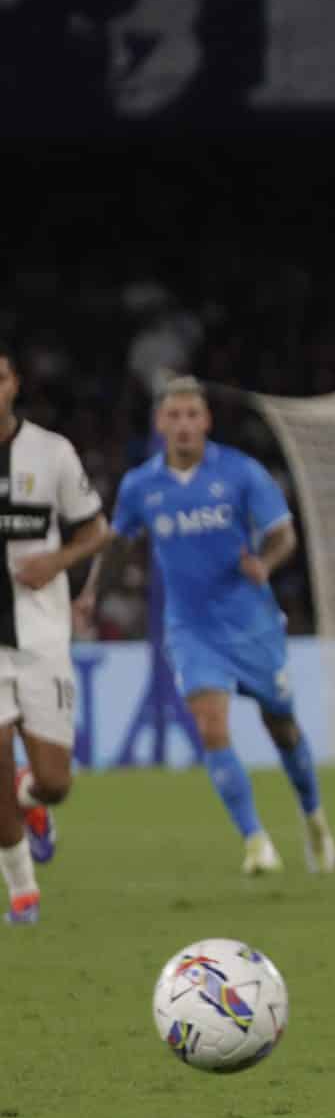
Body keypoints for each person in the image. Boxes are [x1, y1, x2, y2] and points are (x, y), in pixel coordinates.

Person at [88, 378, 335, 876]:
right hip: (191, 629)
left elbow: (283, 534)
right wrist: (91, 594)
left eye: (191, 415)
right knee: (211, 726)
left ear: (206, 421)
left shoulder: (240, 472)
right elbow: (118, 543)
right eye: (174, 415)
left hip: (251, 625)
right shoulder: (140, 485)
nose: (183, 425)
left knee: (282, 726)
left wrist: (264, 564)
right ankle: (256, 842)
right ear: (160, 423)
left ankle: (313, 818)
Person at [0, 346, 112, 924]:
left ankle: (32, 797)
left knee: (54, 782)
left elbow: (96, 531)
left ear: (14, 383)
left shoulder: (51, 453)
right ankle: (23, 893)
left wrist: (56, 562)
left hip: (41, 637)